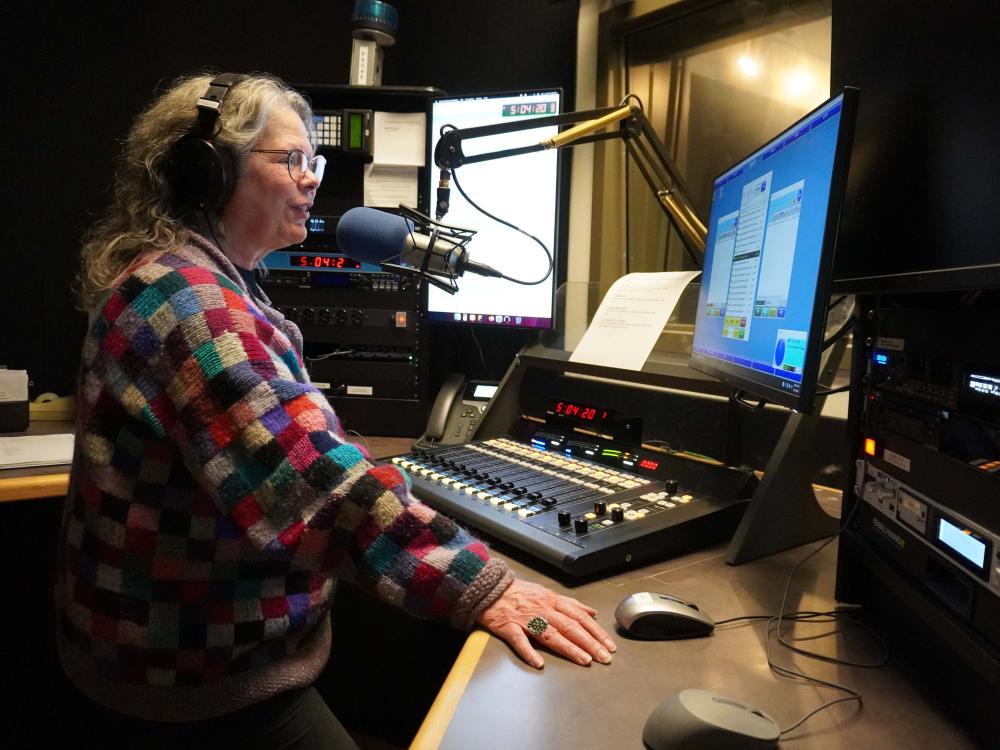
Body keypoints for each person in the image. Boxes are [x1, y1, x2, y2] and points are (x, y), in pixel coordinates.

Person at [55, 71, 616, 748]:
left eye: (312, 161)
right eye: (290, 159)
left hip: (212, 648)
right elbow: (314, 485)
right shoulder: (189, 304)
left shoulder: (191, 282)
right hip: (191, 685)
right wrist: (485, 587)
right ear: (207, 173)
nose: (312, 178)